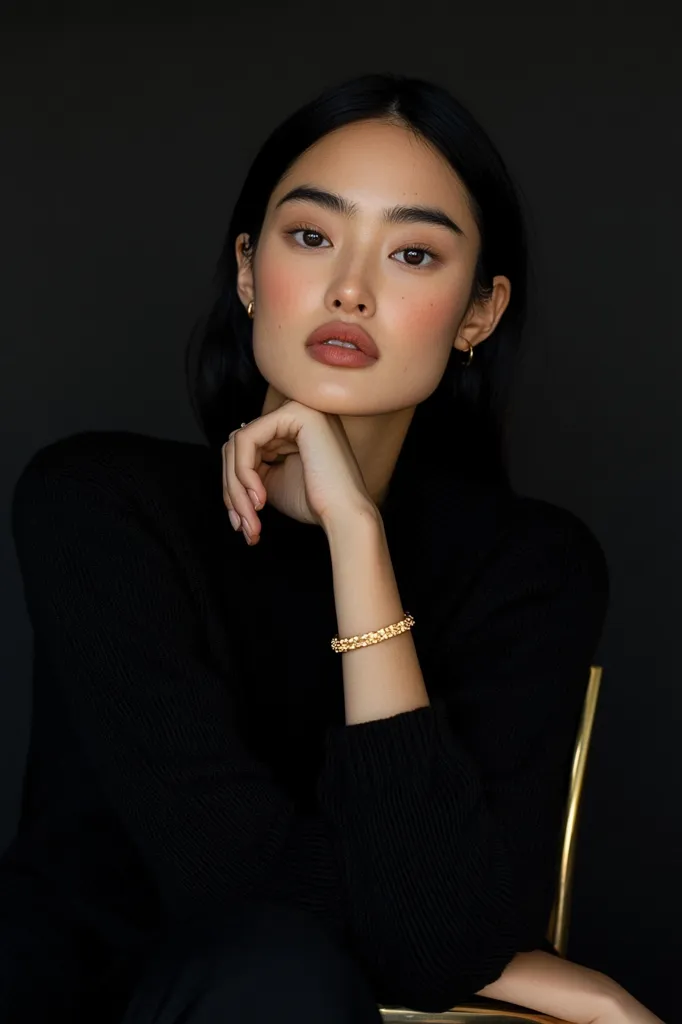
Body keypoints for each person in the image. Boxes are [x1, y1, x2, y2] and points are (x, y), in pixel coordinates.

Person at [0, 73, 663, 1024]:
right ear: (245, 270)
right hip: (80, 991)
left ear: (479, 312)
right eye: (311, 237)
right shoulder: (101, 503)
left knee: (286, 973)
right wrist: (518, 971)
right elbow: (234, 877)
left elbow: (432, 930)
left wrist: (357, 539)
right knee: (278, 965)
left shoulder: (533, 569)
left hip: (291, 993)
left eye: (413, 254)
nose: (349, 289)